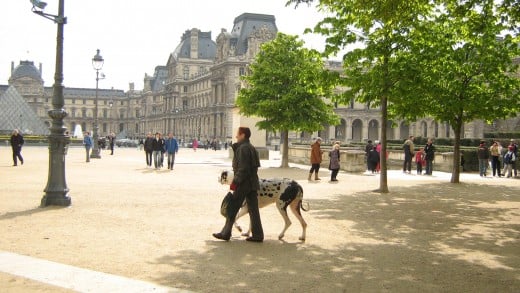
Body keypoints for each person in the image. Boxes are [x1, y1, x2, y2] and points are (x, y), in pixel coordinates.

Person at [213, 126, 263, 242]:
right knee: (253, 210)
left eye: (238, 134)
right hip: (252, 183)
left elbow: (243, 169)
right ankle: (258, 235)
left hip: (243, 183)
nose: (236, 136)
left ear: (243, 135)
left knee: (232, 207)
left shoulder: (243, 149)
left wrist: (235, 182)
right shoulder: (251, 147)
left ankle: (226, 233)